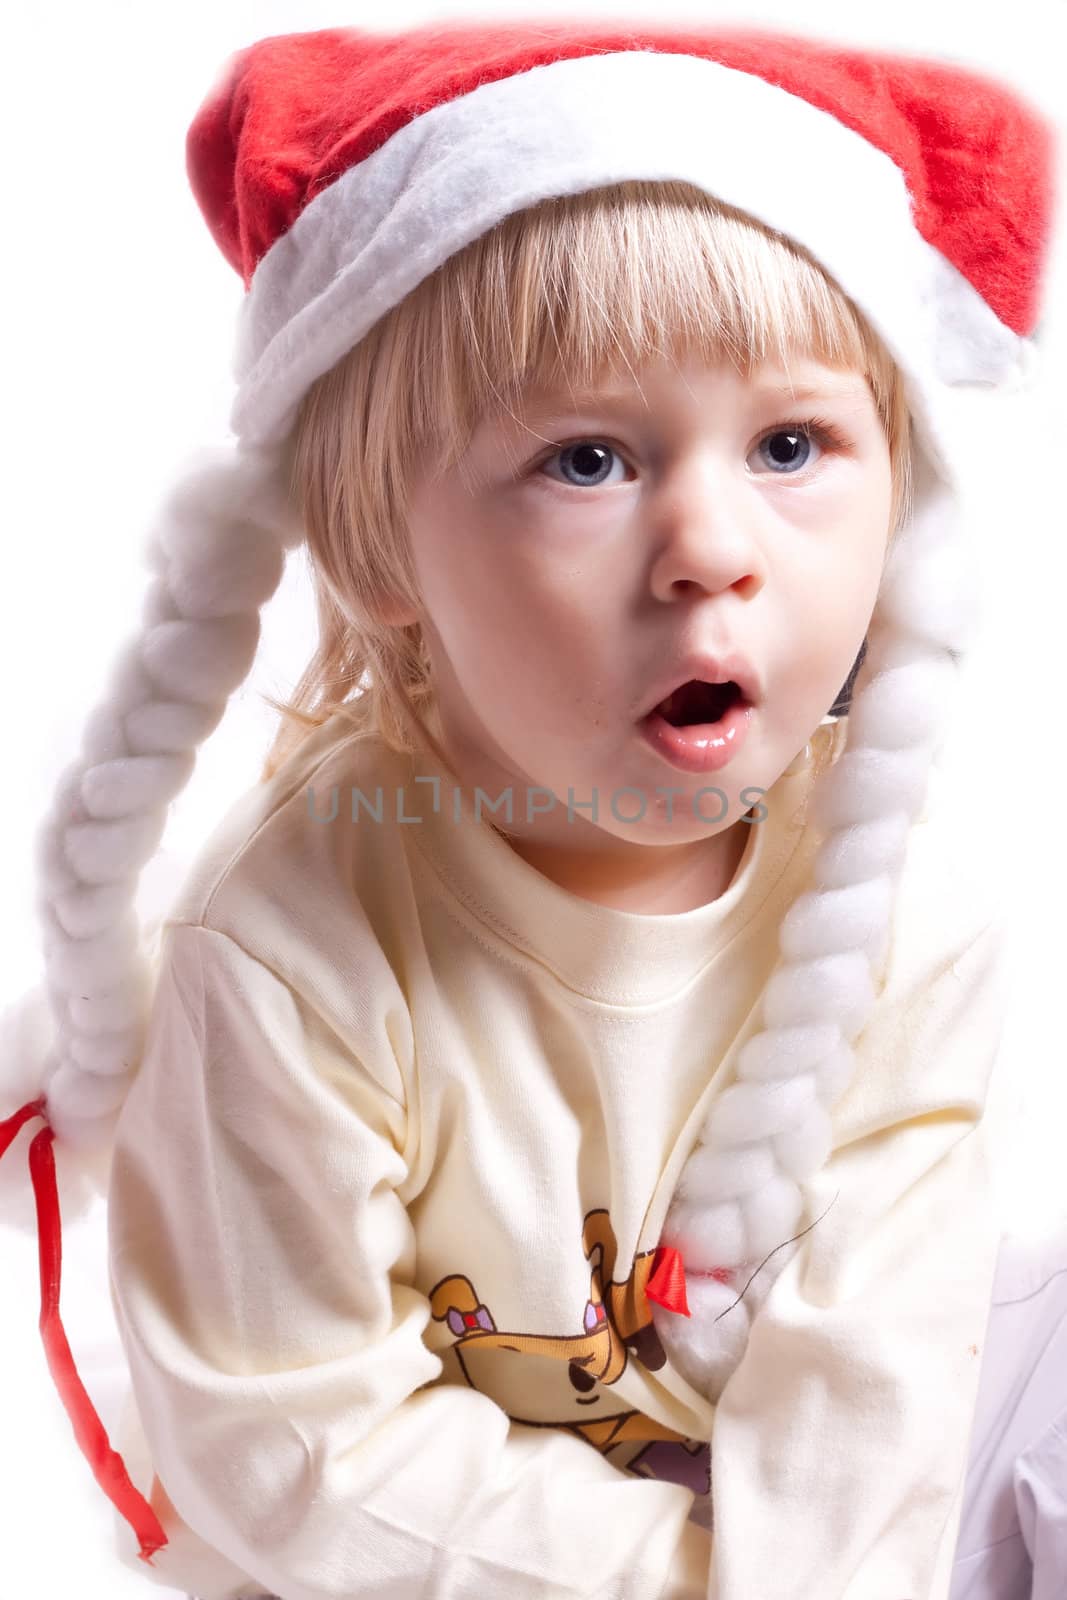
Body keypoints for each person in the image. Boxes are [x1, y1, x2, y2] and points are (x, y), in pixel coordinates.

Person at [0, 16, 1058, 1600]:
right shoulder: (293, 950)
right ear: (377, 558)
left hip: (813, 1496)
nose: (712, 546)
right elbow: (303, 1456)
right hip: (480, 1543)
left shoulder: (906, 898)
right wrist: (707, 1580)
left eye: (790, 444)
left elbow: (875, 1365)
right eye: (586, 458)